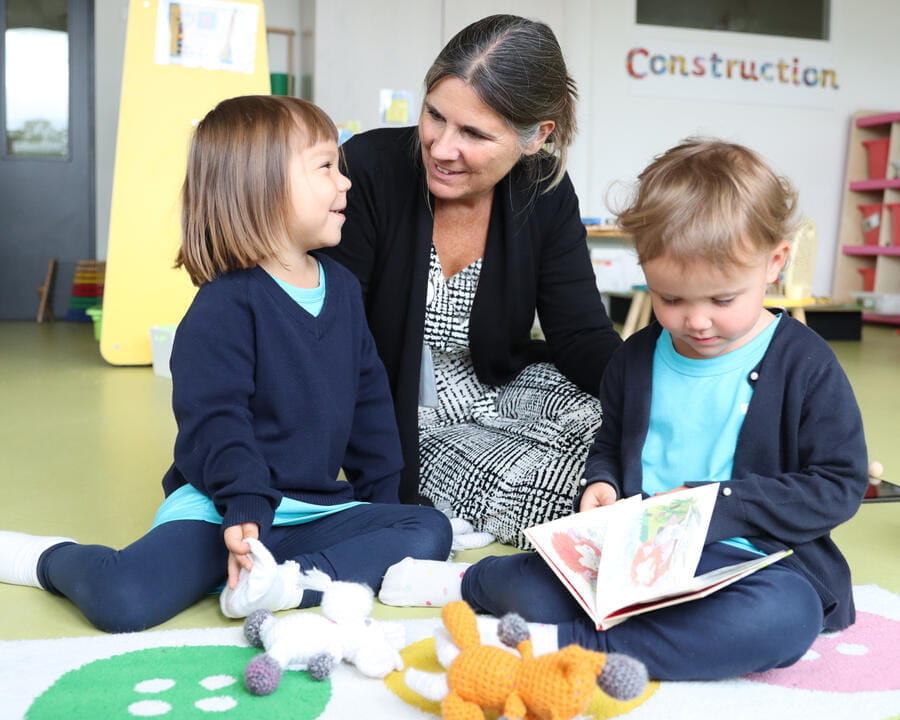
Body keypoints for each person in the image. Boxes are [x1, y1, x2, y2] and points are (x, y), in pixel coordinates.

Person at [377, 138, 869, 680]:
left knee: (786, 617)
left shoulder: (804, 363)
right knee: (529, 583)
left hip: (754, 562)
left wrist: (716, 506)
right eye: (671, 298)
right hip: (634, 557)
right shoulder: (635, 359)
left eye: (722, 300)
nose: (696, 321)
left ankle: (565, 644)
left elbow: (838, 484)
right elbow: (612, 442)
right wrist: (604, 481)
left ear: (774, 262)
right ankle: (468, 583)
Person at [0, 95, 452, 633]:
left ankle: (287, 583)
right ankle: (48, 559)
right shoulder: (225, 304)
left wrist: (380, 508)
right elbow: (217, 421)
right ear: (265, 188)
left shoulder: (345, 290)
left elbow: (370, 410)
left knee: (429, 530)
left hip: (312, 512)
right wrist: (244, 510)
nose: (345, 182)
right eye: (327, 167)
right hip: (223, 507)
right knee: (124, 600)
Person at [322, 14, 622, 547]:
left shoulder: (544, 189)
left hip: (503, 386)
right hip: (404, 413)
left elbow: (580, 335)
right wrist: (380, 480)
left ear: (536, 137)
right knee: (565, 495)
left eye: (474, 134)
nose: (441, 147)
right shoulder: (368, 170)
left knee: (626, 442)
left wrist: (657, 395)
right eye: (435, 115)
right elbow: (333, 340)